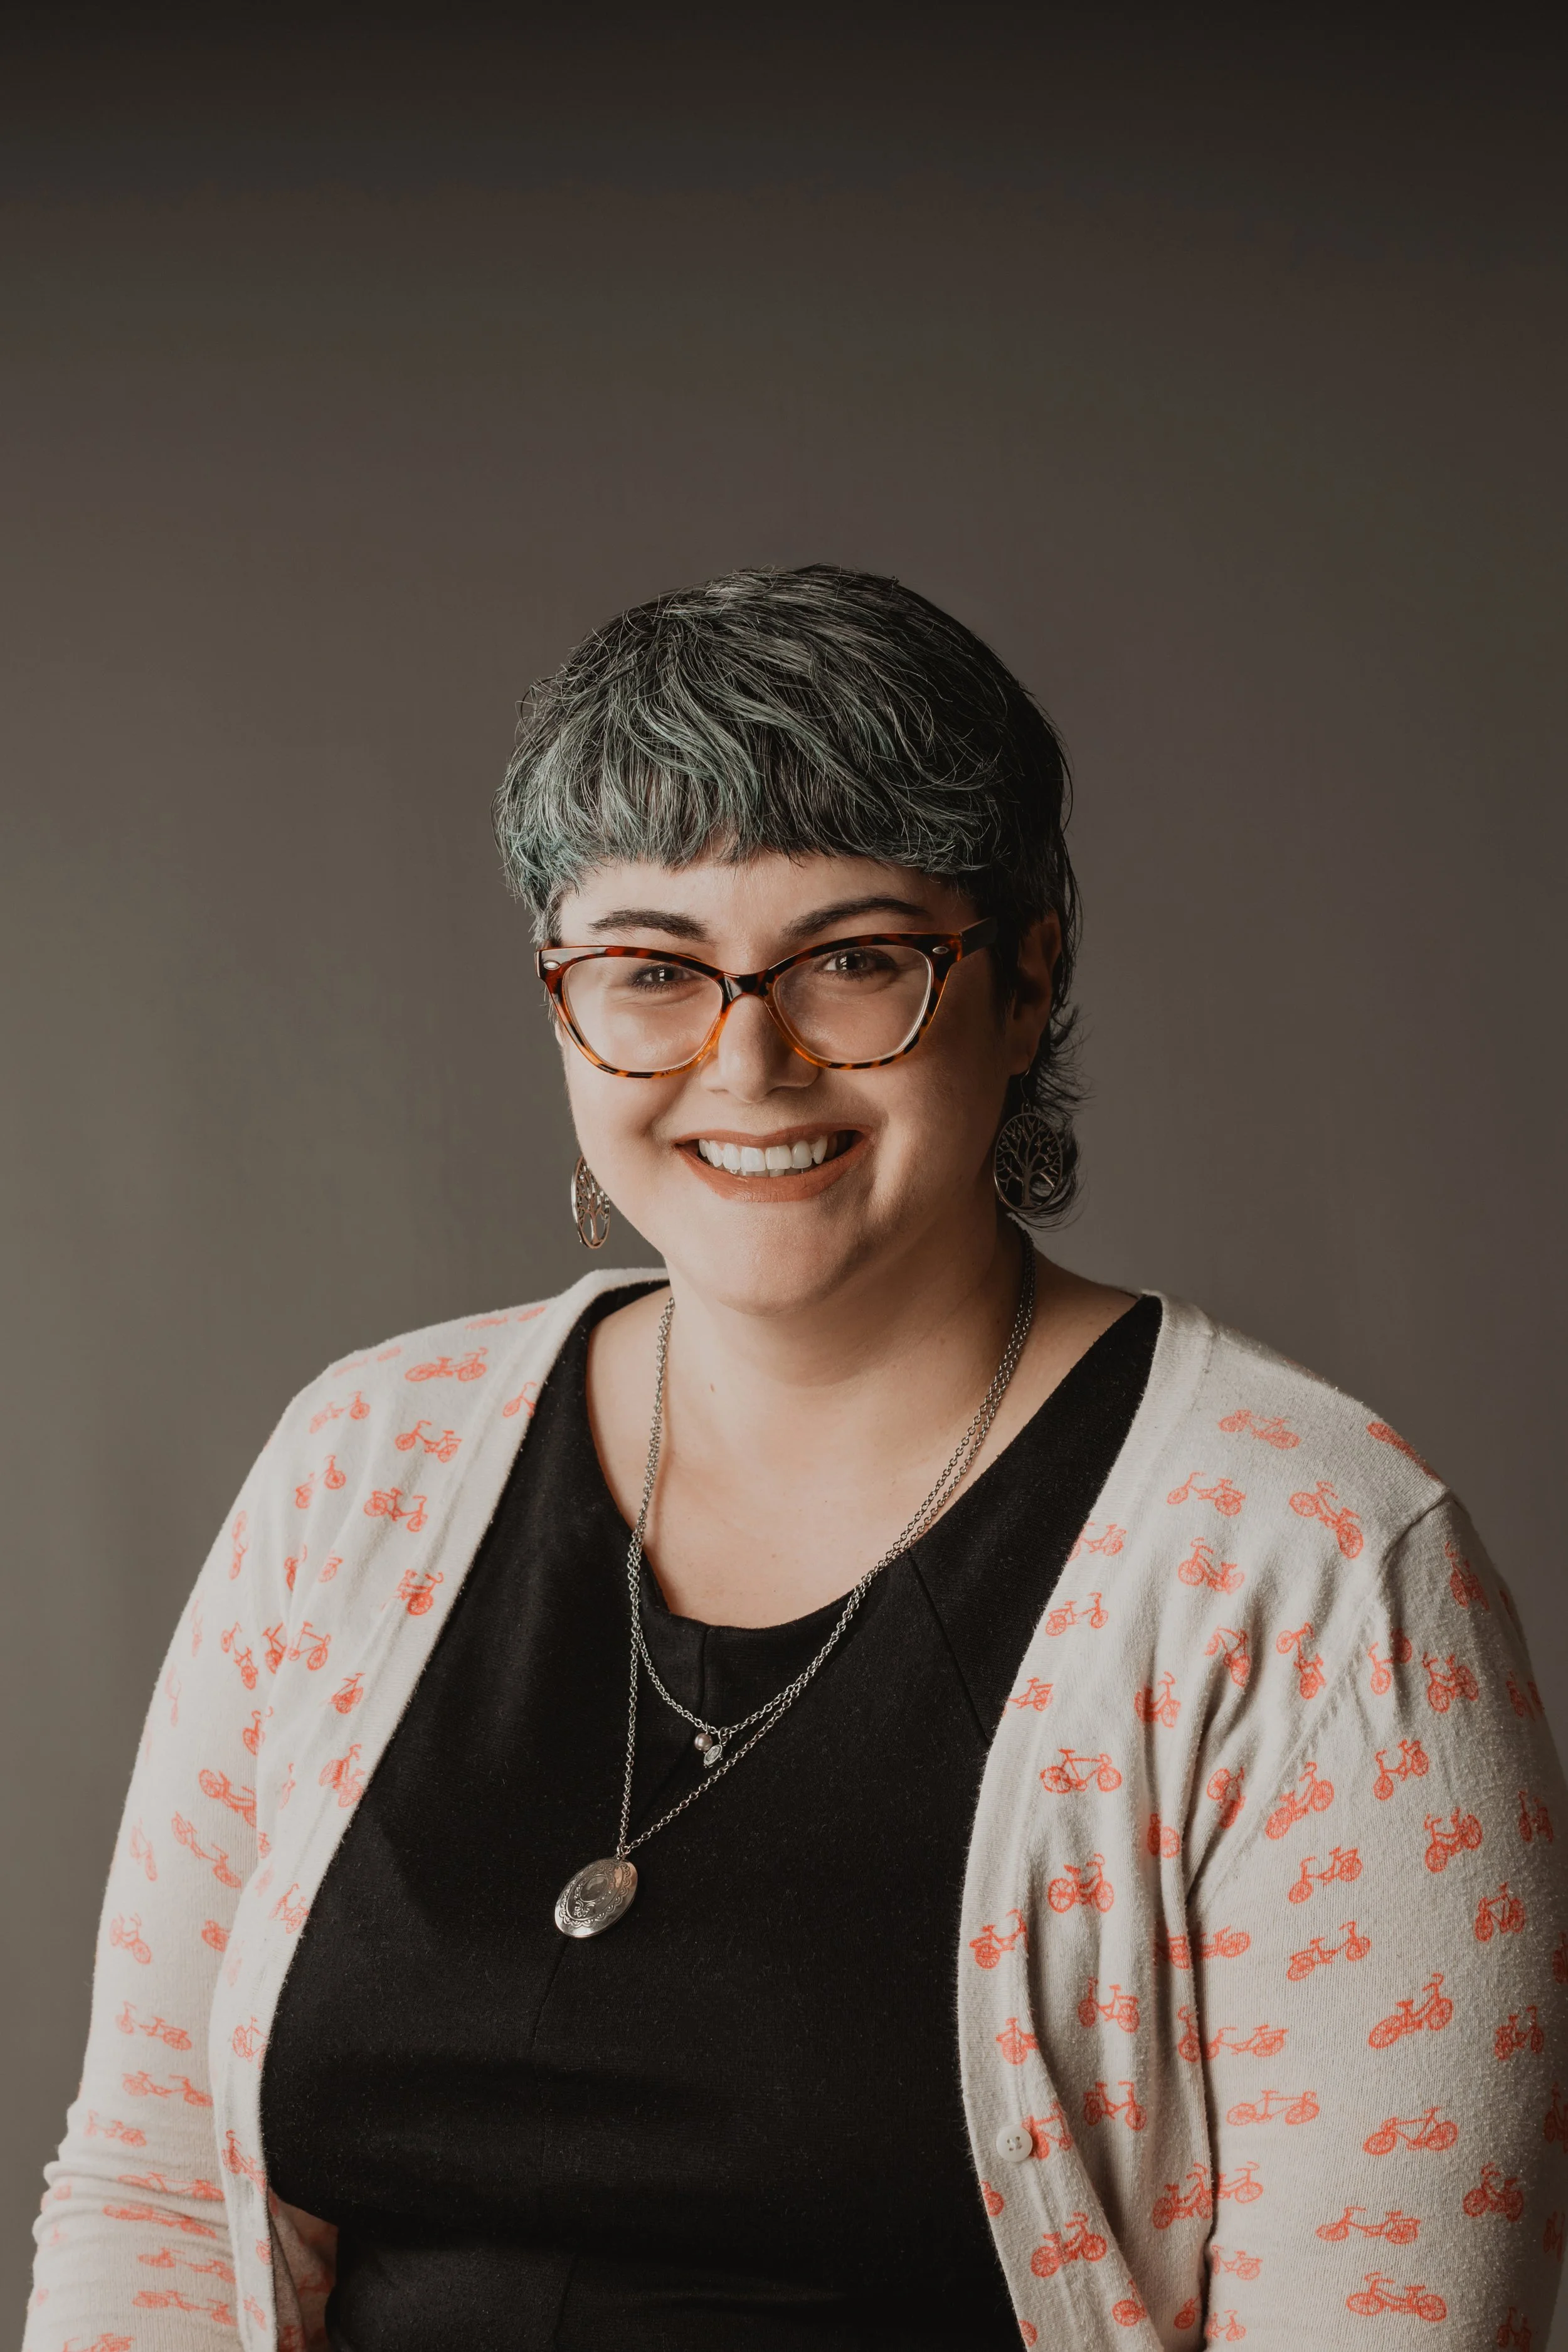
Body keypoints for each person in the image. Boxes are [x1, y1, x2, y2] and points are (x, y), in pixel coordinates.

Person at [25, 566, 1567, 2351]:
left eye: (853, 961)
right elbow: (151, 2178)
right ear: (558, 1000)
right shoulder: (358, 1466)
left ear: (1026, 973)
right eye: (651, 968)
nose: (744, 1061)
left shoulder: (1308, 1566)